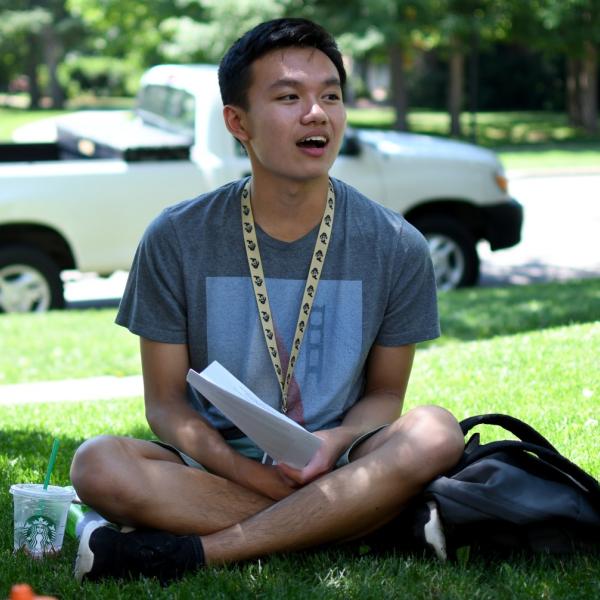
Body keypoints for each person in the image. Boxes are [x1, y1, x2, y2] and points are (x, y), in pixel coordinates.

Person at [69, 17, 464, 583]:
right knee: (99, 464)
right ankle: (380, 528)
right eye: (289, 97)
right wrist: (252, 475)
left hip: (342, 464)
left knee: (436, 431)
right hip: (215, 466)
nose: (317, 113)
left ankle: (196, 553)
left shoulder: (396, 244)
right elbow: (167, 406)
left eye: (330, 95)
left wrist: (336, 441)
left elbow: (384, 396)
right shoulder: (176, 237)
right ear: (238, 122)